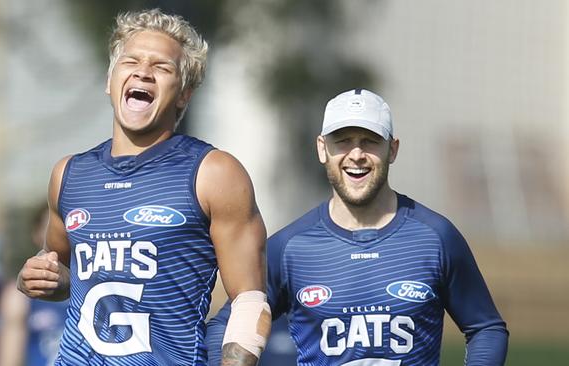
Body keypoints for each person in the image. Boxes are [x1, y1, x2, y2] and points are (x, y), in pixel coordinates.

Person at [16, 8, 270, 366]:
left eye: (162, 67)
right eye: (131, 61)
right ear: (110, 80)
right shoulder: (68, 173)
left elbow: (249, 299)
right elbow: (65, 277)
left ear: (184, 95)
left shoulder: (214, 172)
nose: (143, 72)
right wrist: (38, 279)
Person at [207, 88, 509, 365]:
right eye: (343, 141)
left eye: (369, 141)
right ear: (322, 148)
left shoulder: (436, 237)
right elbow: (226, 323)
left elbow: (485, 328)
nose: (356, 155)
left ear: (392, 149)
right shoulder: (290, 248)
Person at [0, 203, 69, 365]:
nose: (58, 234)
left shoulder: (93, 285)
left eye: (64, 226)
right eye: (49, 228)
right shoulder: (18, 296)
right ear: (36, 234)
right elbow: (9, 359)